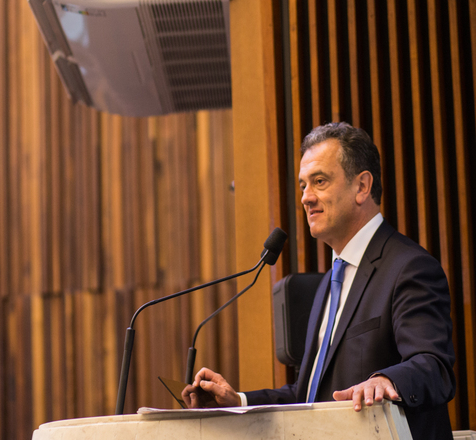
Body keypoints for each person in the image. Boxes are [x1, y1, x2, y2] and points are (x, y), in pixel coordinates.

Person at [182, 122, 456, 440]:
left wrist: (387, 380)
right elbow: (309, 396)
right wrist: (237, 402)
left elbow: (434, 367)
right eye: (302, 186)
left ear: (362, 186)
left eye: (319, 182)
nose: (306, 198)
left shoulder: (409, 267)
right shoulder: (330, 282)